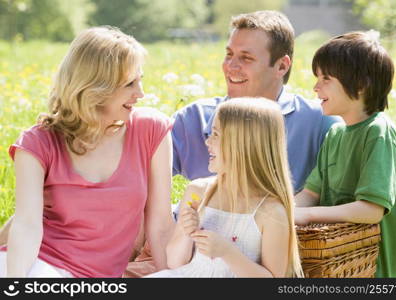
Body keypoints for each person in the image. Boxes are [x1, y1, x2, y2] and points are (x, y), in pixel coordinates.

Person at [123, 9, 340, 278]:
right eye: (229, 55)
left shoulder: (321, 124)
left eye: (246, 58)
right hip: (180, 256)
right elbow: (134, 185)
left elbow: (355, 195)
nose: (231, 66)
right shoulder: (195, 117)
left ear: (282, 66)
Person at [0, 26, 174, 277]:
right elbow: (26, 225)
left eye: (140, 80)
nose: (141, 94)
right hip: (35, 266)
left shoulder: (151, 130)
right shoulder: (37, 143)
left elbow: (161, 226)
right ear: (95, 88)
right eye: (129, 84)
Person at [294, 31, 396, 278]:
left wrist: (307, 215)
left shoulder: (378, 132)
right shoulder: (335, 134)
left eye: (326, 78)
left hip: (374, 274)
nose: (316, 87)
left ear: (361, 85)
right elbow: (310, 193)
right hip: (336, 268)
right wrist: (280, 212)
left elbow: (371, 210)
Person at [146, 97, 303, 277]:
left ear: (242, 145)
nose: (207, 142)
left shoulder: (271, 212)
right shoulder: (198, 192)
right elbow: (174, 263)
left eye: (216, 135)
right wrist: (184, 229)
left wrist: (227, 253)